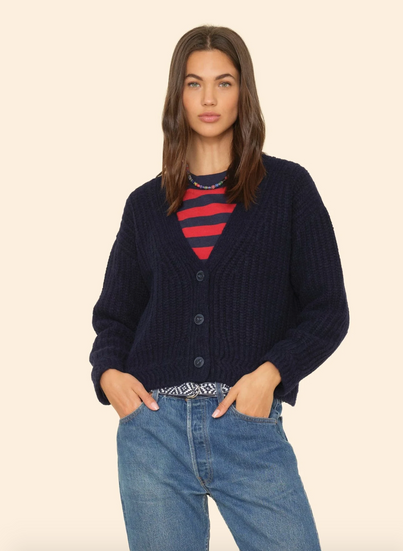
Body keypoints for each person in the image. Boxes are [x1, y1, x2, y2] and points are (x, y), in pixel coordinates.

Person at [89, 25, 349, 551]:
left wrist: (270, 375)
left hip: (248, 425)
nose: (208, 98)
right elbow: (115, 316)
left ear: (242, 92)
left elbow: (328, 309)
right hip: (153, 433)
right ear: (178, 95)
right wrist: (109, 376)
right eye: (194, 83)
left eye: (224, 83)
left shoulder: (288, 189)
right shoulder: (144, 205)